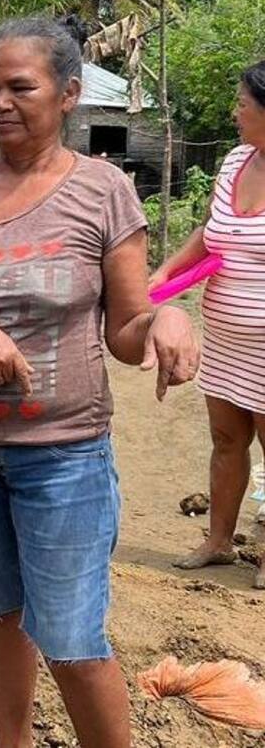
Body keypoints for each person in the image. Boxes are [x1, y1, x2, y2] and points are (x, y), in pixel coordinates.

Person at [0, 17, 199, 748]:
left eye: (19, 86)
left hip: (60, 455)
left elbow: (126, 331)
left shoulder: (103, 191)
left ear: (68, 95)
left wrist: (164, 321)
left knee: (69, 638)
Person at [157, 60, 265, 588]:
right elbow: (208, 233)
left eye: (242, 103)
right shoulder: (235, 161)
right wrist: (163, 273)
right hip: (225, 336)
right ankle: (218, 539)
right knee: (226, 439)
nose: (234, 112)